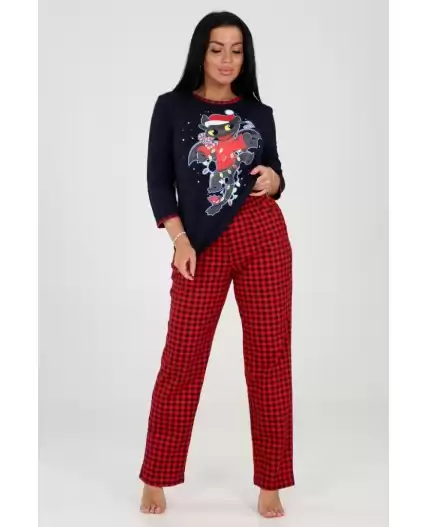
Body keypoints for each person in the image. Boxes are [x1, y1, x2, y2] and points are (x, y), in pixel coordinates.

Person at [139, 10, 294, 519]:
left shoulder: (259, 111)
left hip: (262, 236)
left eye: (236, 50)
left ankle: (272, 481)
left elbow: (274, 170)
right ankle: (156, 474)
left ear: (245, 57)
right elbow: (159, 181)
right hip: (200, 245)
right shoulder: (172, 107)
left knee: (269, 360)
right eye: (216, 48)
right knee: (182, 361)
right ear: (200, 53)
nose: (227, 59)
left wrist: (275, 180)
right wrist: (179, 239)